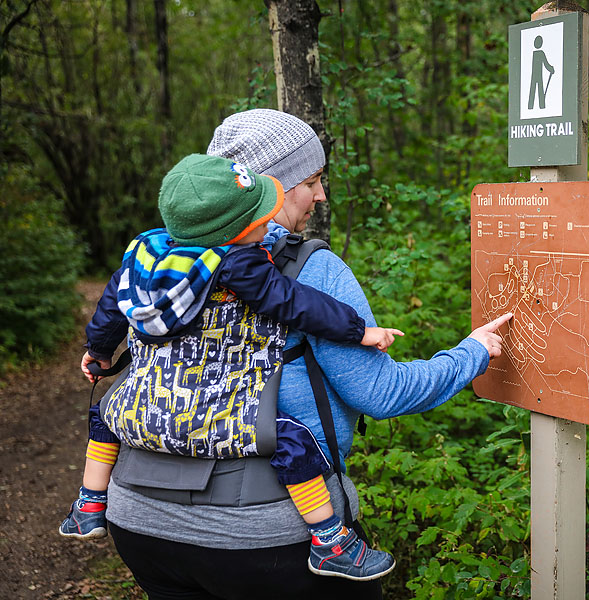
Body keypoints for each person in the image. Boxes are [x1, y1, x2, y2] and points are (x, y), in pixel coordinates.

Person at [100, 108, 513, 598]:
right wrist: (471, 353)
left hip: (139, 520)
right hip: (267, 531)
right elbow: (381, 394)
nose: (321, 196)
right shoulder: (309, 269)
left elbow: (107, 324)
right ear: (270, 188)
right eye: (311, 181)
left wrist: (96, 352)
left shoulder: (153, 264)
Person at [61, 153, 403, 580]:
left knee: (106, 414)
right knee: (293, 440)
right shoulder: (236, 262)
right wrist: (359, 331)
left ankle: (88, 505)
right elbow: (295, 303)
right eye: (259, 217)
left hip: (151, 408)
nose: (269, 221)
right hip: (221, 408)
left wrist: (98, 350)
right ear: (230, 230)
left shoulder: (145, 252)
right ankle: (330, 541)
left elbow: (114, 301)